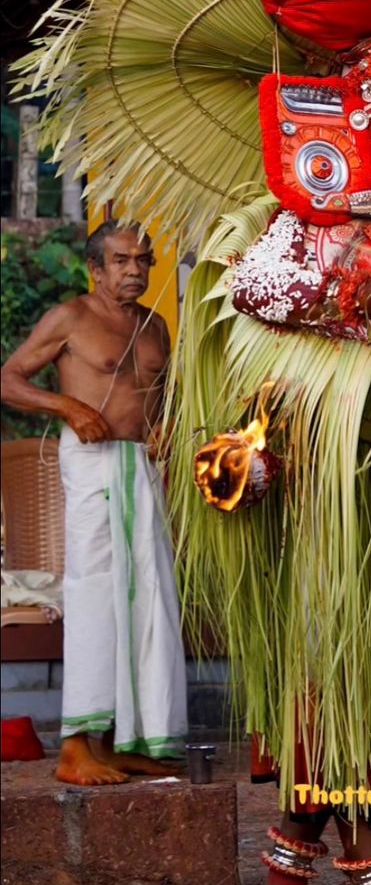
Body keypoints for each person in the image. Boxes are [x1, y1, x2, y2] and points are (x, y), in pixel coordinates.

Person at [0, 221, 188, 786]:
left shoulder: (155, 328)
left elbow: (162, 402)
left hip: (143, 469)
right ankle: (76, 747)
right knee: (95, 592)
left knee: (149, 599)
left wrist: (166, 435)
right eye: (121, 261)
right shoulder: (71, 318)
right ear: (96, 269)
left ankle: (125, 738)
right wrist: (67, 407)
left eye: (143, 261)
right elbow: (8, 379)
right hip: (91, 465)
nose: (135, 271)